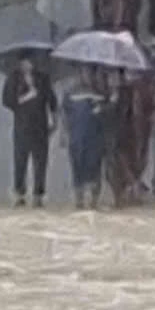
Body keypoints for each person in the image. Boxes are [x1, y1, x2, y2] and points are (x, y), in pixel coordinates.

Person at [2, 57, 58, 207]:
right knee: (20, 159)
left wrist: (54, 120)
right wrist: (25, 97)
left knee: (41, 161)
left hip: (40, 125)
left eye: (29, 62)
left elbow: (52, 101)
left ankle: (39, 193)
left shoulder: (43, 78)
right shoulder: (13, 78)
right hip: (22, 126)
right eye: (24, 62)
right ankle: (19, 192)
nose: (27, 65)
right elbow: (7, 101)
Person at [107, 70, 155, 208]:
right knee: (119, 159)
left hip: (137, 131)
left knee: (135, 159)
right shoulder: (118, 91)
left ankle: (133, 189)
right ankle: (125, 193)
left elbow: (151, 110)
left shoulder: (145, 87)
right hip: (121, 130)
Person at [62, 66, 109, 209]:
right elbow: (64, 114)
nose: (86, 75)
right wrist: (63, 134)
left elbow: (107, 116)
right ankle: (79, 200)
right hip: (76, 136)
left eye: (89, 72)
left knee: (95, 167)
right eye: (83, 73)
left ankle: (94, 201)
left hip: (95, 137)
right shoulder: (71, 93)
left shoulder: (100, 93)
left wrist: (102, 109)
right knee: (77, 166)